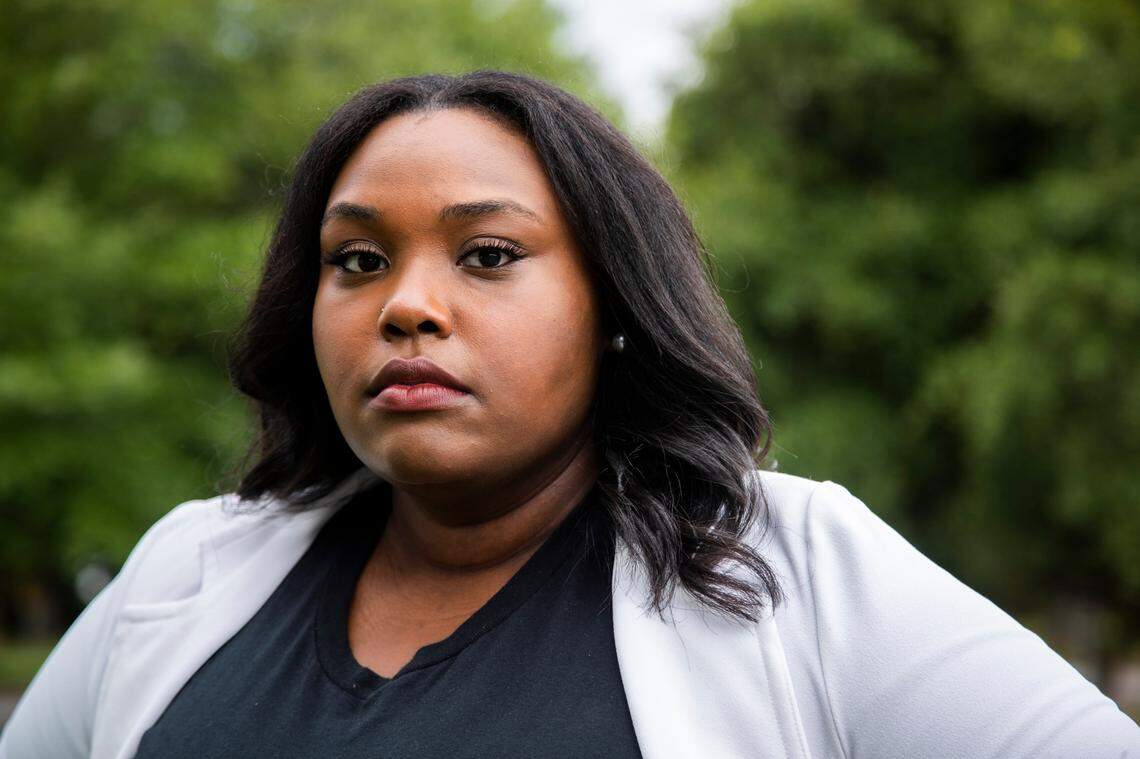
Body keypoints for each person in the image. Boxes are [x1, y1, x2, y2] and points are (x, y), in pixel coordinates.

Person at [2, 70, 1137, 759]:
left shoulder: (797, 577)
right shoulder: (181, 578)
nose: (407, 305)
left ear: (614, 307)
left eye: (488, 254)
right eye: (356, 261)